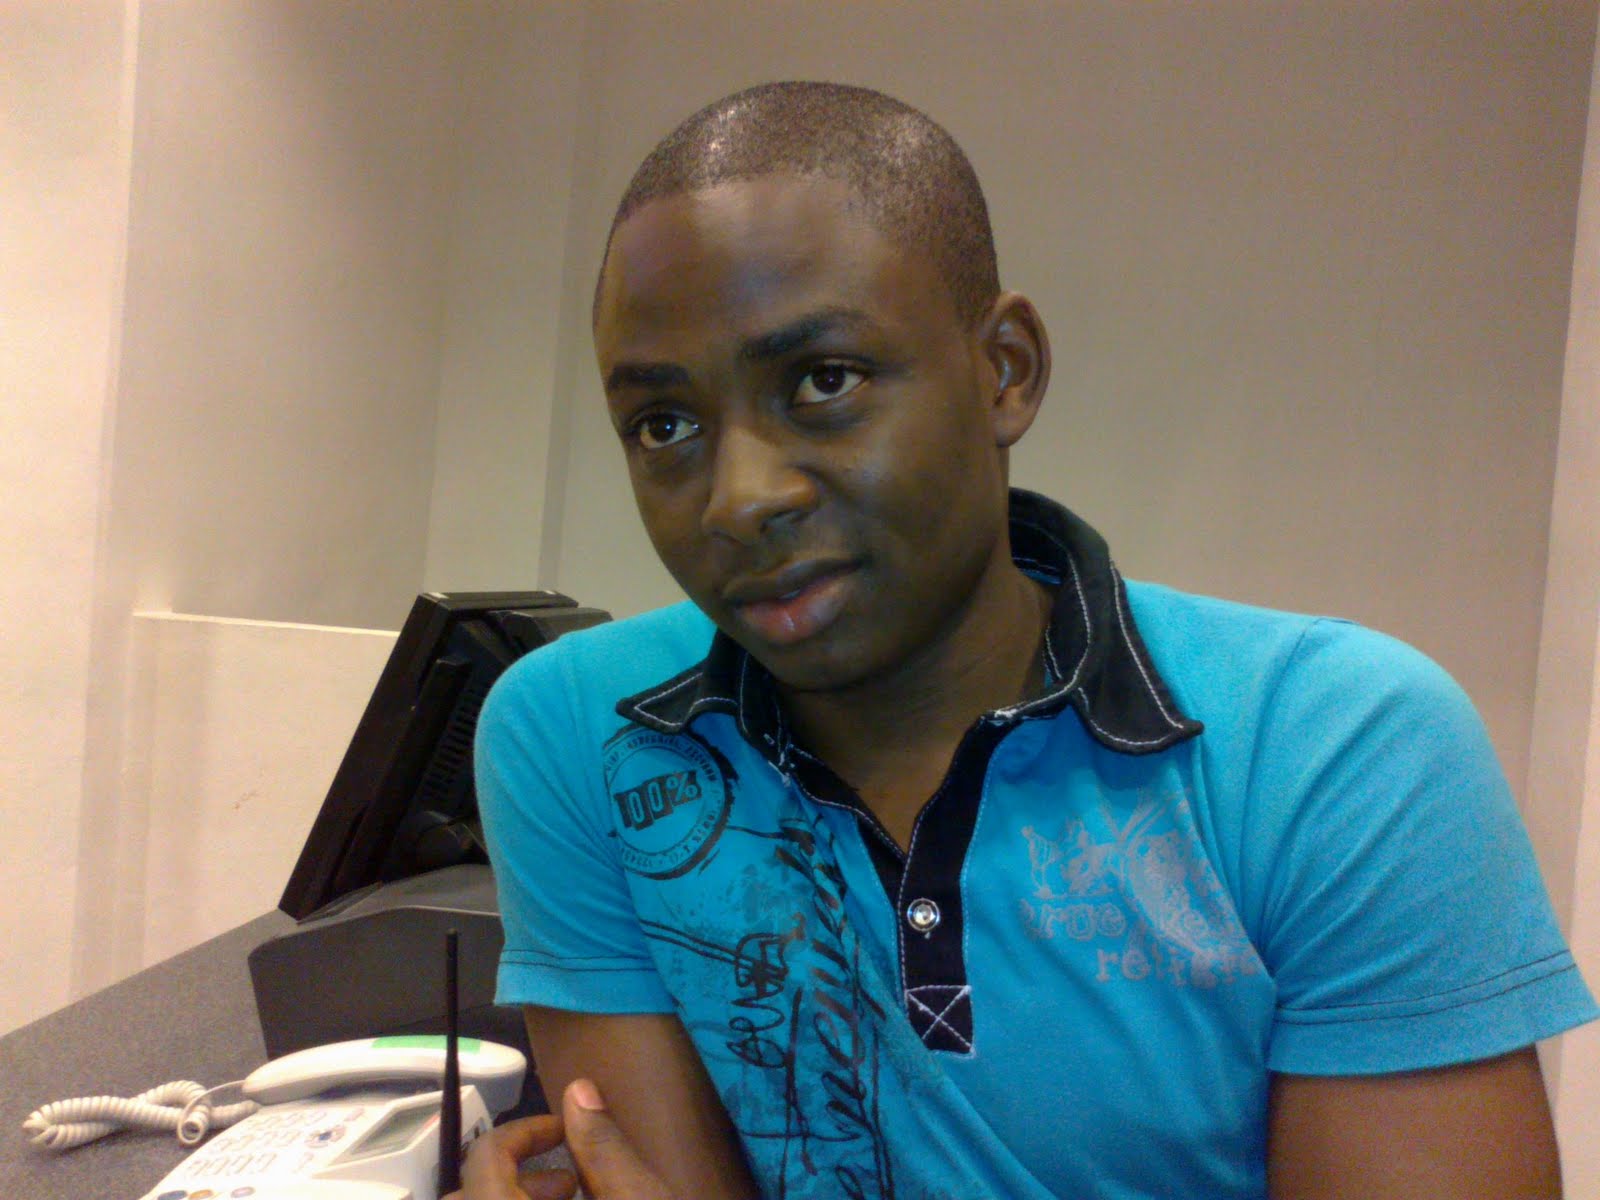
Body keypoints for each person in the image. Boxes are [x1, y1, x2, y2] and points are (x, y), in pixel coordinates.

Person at [458, 82, 1598, 1199]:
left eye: (823, 381)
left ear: (1005, 370)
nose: (739, 499)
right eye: (664, 424)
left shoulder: (1338, 747)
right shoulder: (580, 733)